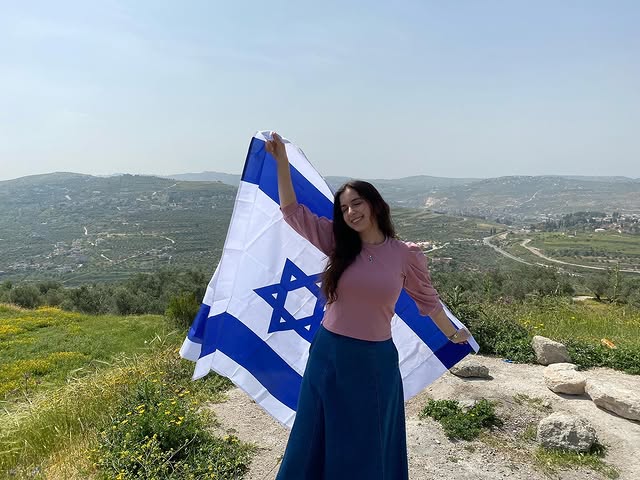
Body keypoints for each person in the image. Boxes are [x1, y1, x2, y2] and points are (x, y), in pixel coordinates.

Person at [266, 133, 470, 480]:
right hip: (329, 353)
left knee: (368, 436)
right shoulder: (338, 242)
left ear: (374, 205)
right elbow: (292, 212)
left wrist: (453, 333)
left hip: (375, 361)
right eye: (344, 208)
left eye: (356, 203)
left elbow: (429, 302)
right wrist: (282, 163)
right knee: (315, 429)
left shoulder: (405, 255)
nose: (350, 212)